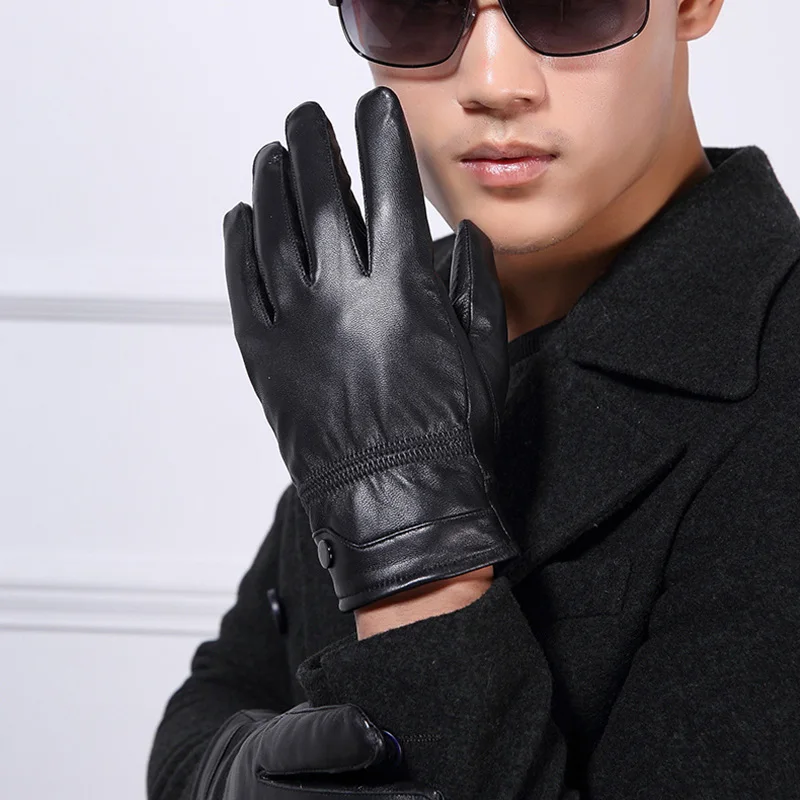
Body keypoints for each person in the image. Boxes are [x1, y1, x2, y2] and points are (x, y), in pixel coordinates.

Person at [147, 0, 800, 798]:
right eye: (415, 9)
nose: (493, 80)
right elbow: (216, 698)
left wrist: (412, 564)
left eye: (569, 6)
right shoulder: (383, 319)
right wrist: (236, 776)